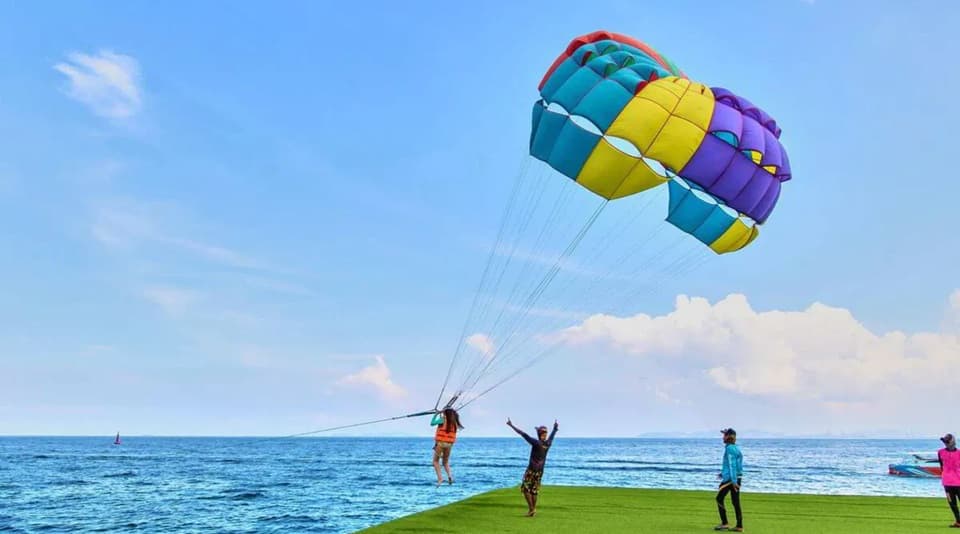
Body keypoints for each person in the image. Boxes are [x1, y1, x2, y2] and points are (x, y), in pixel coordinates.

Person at [507, 417, 558, 517]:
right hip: (540, 471)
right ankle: (533, 510)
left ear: (539, 434)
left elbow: (523, 434)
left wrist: (511, 425)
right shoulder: (548, 443)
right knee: (534, 491)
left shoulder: (536, 442)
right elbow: (552, 436)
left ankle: (531, 509)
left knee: (525, 489)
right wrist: (555, 429)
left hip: (531, 470)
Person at [715, 428, 743, 532]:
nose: (723, 437)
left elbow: (732, 465)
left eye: (724, 435)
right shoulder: (735, 448)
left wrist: (734, 481)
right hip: (735, 477)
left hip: (731, 479)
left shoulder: (730, 449)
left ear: (729, 437)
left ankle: (725, 523)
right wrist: (722, 473)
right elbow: (735, 465)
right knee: (735, 502)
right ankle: (739, 526)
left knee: (719, 498)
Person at [430, 408, 463, 486]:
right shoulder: (454, 422)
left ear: (446, 414)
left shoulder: (442, 420)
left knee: (435, 461)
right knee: (445, 462)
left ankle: (440, 479)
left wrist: (436, 415)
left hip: (441, 443)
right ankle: (449, 476)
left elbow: (432, 423)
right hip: (449, 444)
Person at [938, 433, 960, 528]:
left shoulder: (959, 453)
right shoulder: (940, 452)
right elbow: (941, 465)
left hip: (958, 482)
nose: (945, 443)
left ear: (953, 442)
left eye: (947, 441)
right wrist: (945, 475)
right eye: (944, 441)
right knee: (952, 503)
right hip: (947, 482)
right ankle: (958, 522)